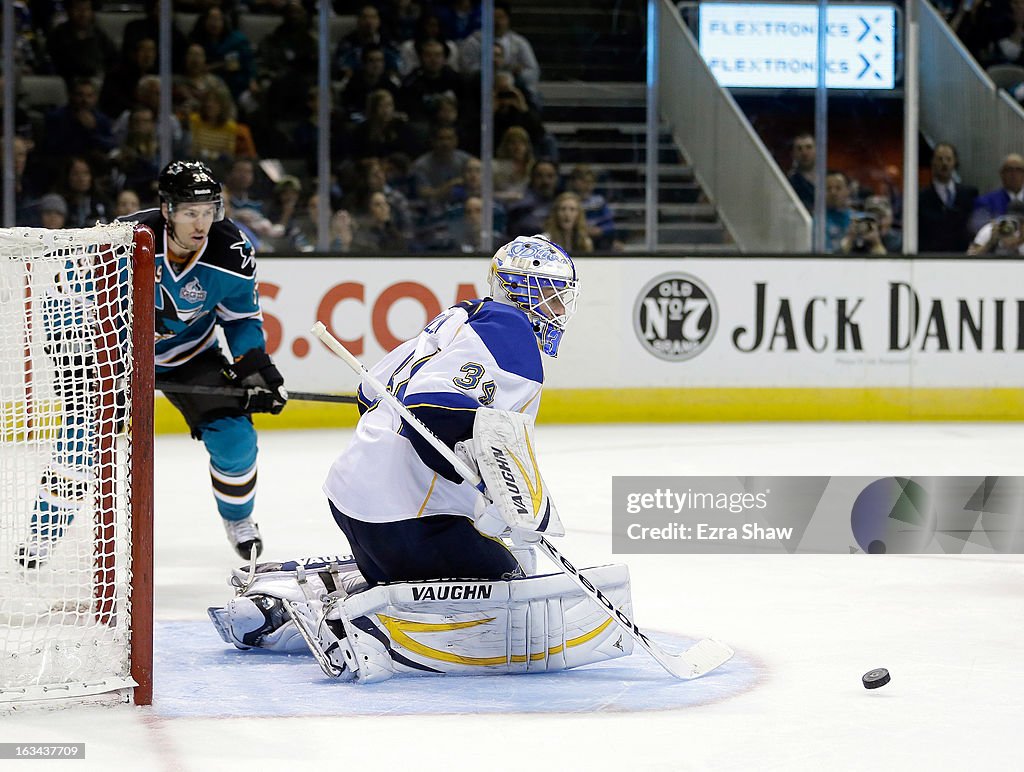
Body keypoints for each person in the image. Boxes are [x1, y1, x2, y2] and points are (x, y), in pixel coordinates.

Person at [130, 160, 288, 558]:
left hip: (191, 356)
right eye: (189, 213)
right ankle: (44, 530)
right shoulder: (122, 241)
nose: (200, 224)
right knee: (79, 443)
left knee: (236, 439)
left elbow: (241, 319)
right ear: (167, 210)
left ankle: (238, 517)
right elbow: (70, 298)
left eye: (207, 211)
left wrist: (255, 368)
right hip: (120, 359)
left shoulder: (230, 252)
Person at [918, 141, 978, 253]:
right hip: (930, 257)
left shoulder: (969, 193)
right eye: (940, 159)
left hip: (962, 256)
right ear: (932, 162)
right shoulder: (921, 197)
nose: (944, 163)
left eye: (948, 159)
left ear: (955, 162)